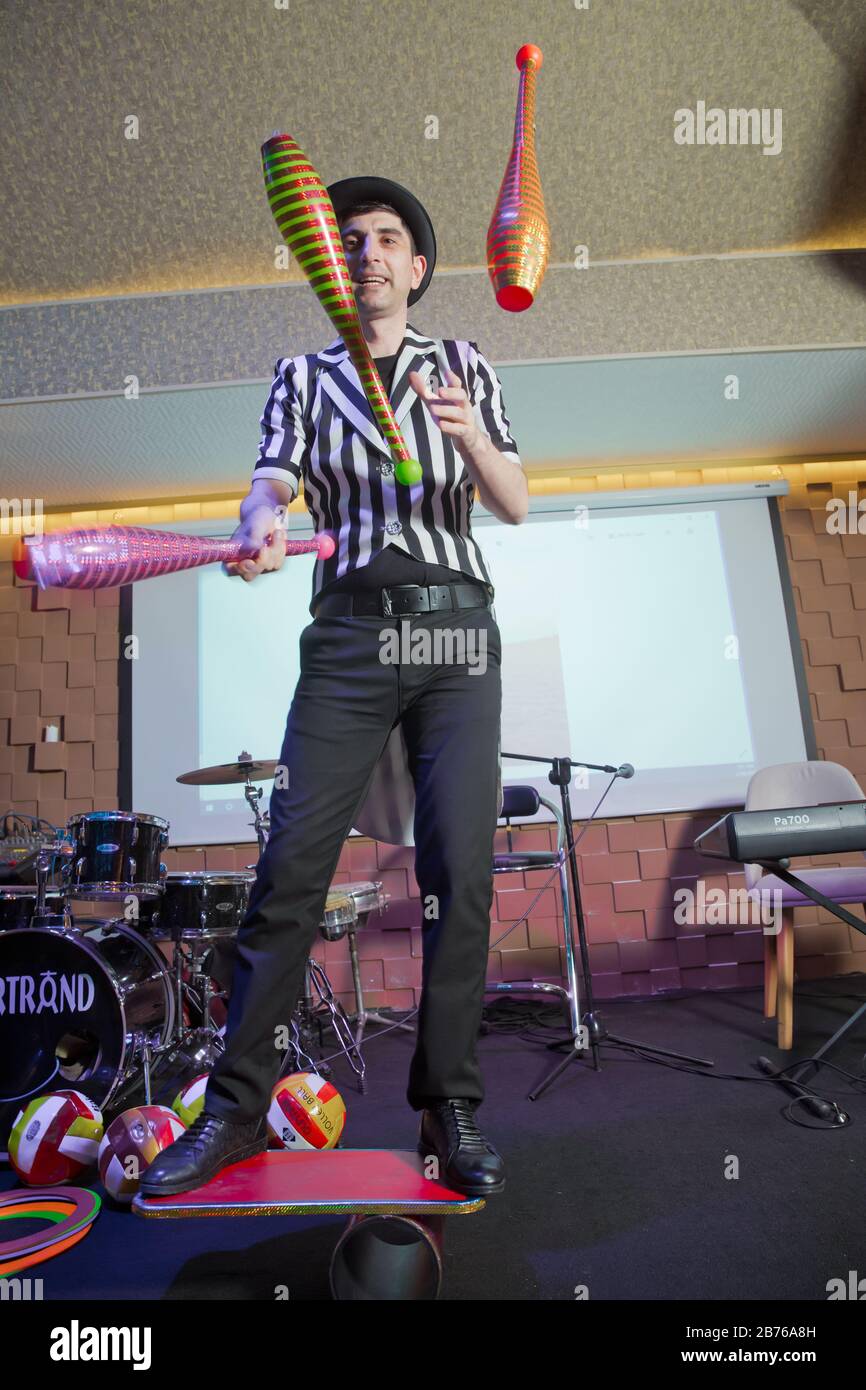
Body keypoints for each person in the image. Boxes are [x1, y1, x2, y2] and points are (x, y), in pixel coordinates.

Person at [141, 175, 528, 1200]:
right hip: (349, 642)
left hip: (456, 642)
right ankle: (233, 1113)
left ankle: (448, 1112)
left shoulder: (463, 365)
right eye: (348, 238)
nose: (366, 250)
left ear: (417, 266)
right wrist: (259, 518)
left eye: (387, 237)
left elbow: (516, 502)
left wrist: (471, 438)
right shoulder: (303, 376)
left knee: (459, 876)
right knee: (287, 876)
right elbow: (272, 476)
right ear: (331, 262)